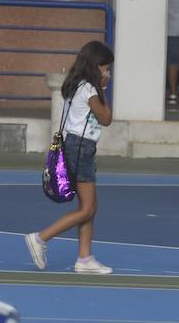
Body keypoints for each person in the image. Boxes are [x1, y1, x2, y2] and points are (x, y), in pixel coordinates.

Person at [25, 41, 115, 274]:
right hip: (81, 147)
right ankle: (41, 238)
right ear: (96, 67)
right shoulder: (91, 90)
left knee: (90, 206)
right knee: (87, 209)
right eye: (106, 68)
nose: (108, 73)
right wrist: (103, 89)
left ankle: (84, 259)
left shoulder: (76, 85)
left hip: (74, 145)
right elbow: (106, 118)